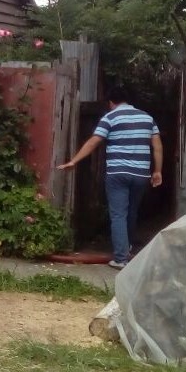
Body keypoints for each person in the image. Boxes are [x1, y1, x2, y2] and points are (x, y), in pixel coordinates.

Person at [57, 85, 162, 270]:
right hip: (140, 174)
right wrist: (158, 171)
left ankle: (121, 259)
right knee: (132, 212)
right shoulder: (147, 118)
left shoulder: (110, 117)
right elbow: (157, 147)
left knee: (118, 214)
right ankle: (127, 248)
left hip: (117, 174)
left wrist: (74, 161)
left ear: (111, 102)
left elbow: (94, 141)